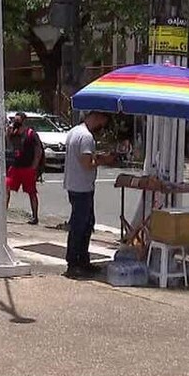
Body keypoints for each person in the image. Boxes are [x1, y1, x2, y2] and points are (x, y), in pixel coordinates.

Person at [63, 111, 114, 278]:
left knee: (87, 223)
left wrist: (97, 157)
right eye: (103, 121)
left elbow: (82, 157)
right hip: (82, 187)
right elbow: (87, 163)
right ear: (98, 118)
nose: (102, 126)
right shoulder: (86, 137)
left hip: (75, 185)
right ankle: (74, 262)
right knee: (80, 226)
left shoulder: (74, 132)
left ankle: (82, 260)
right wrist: (103, 160)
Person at [5, 112, 42, 226]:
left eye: (18, 121)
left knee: (31, 192)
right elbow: (8, 143)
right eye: (14, 121)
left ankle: (35, 216)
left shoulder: (31, 134)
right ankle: (3, 213)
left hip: (27, 167)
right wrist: (8, 132)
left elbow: (38, 150)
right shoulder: (14, 133)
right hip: (15, 166)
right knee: (6, 188)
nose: (16, 123)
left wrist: (34, 165)